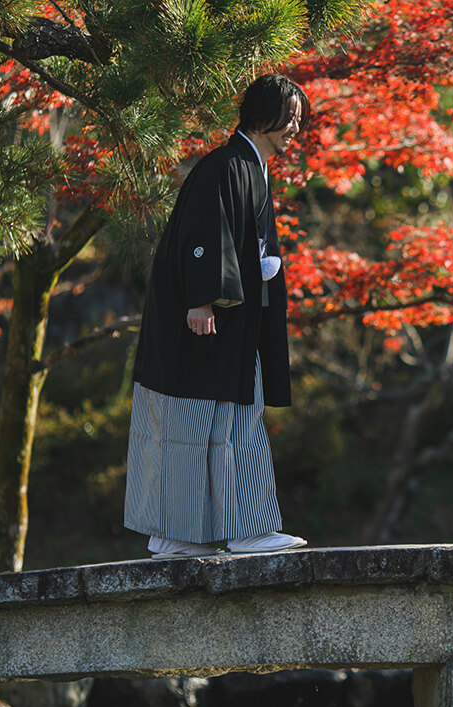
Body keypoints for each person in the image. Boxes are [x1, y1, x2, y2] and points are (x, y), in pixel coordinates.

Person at [124, 74, 309, 558]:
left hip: (230, 327)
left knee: (221, 423)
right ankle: (210, 532)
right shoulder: (225, 166)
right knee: (197, 424)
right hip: (205, 323)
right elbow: (201, 236)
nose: (296, 126)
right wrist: (201, 300)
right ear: (262, 114)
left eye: (298, 118)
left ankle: (184, 534)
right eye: (289, 116)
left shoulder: (251, 167)